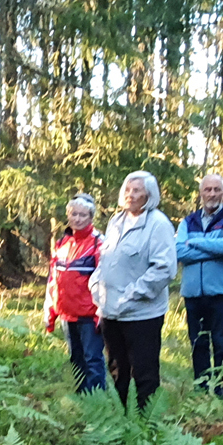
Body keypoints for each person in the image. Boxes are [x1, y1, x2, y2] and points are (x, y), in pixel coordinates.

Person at [90, 171, 177, 410]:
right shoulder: (116, 221)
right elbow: (106, 259)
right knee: (117, 370)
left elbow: (164, 269)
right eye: (128, 189)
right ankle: (120, 418)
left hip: (142, 315)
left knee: (144, 372)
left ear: (149, 194)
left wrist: (132, 294)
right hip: (111, 312)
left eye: (137, 190)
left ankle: (146, 426)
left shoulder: (158, 224)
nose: (131, 194)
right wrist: (95, 285)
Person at [175, 173, 223, 396]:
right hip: (193, 293)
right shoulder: (188, 221)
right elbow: (179, 251)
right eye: (208, 189)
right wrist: (214, 247)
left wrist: (195, 242)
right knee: (198, 343)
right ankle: (202, 389)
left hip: (221, 292)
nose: (212, 194)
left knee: (221, 343)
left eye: (217, 190)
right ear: (201, 193)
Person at [44, 194, 106, 393]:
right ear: (68, 215)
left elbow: (105, 280)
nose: (78, 219)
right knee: (75, 358)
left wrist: (102, 312)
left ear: (91, 217)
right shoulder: (62, 243)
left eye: (83, 215)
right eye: (74, 214)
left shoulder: (99, 243)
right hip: (67, 313)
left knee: (93, 359)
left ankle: (97, 400)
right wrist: (50, 311)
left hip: (89, 314)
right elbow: (53, 279)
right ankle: (82, 398)